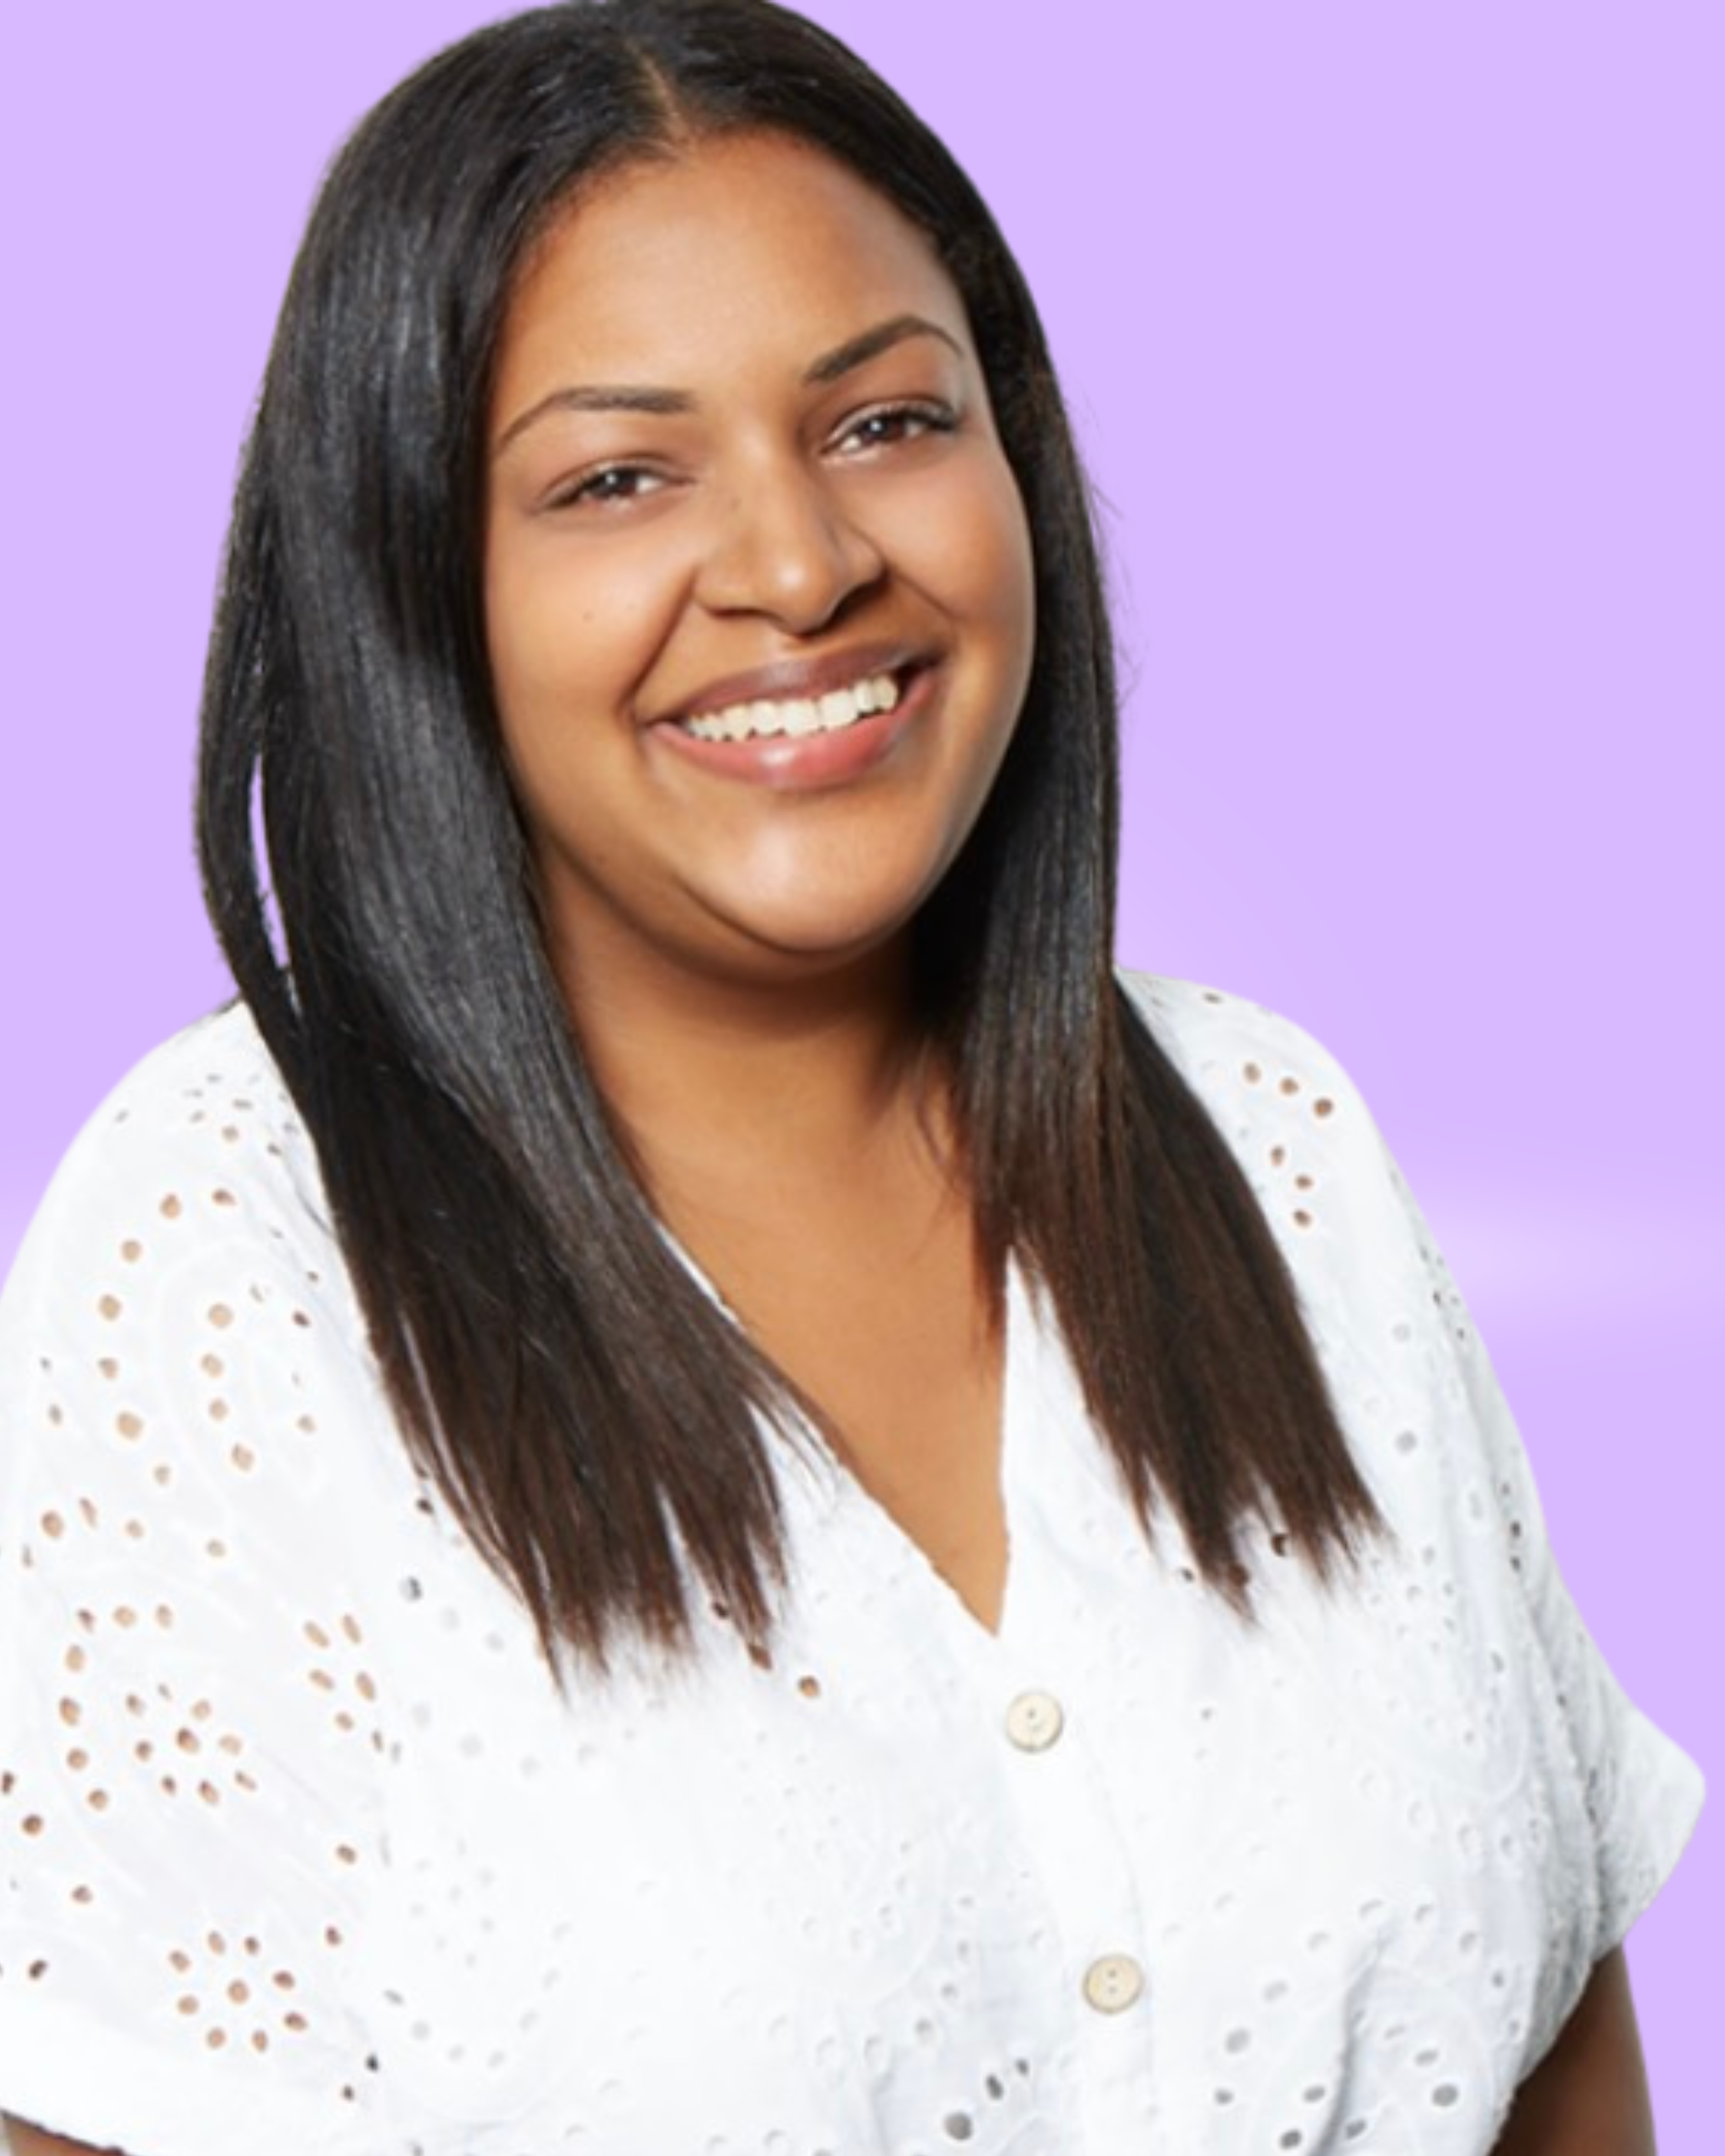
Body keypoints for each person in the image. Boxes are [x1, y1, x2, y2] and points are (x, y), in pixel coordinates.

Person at [0, 1, 1701, 2149]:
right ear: (414, 577)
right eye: (617, 475)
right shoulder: (230, 1244)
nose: (802, 568)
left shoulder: (1275, 1144)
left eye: (887, 423)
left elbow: (1553, 2046)